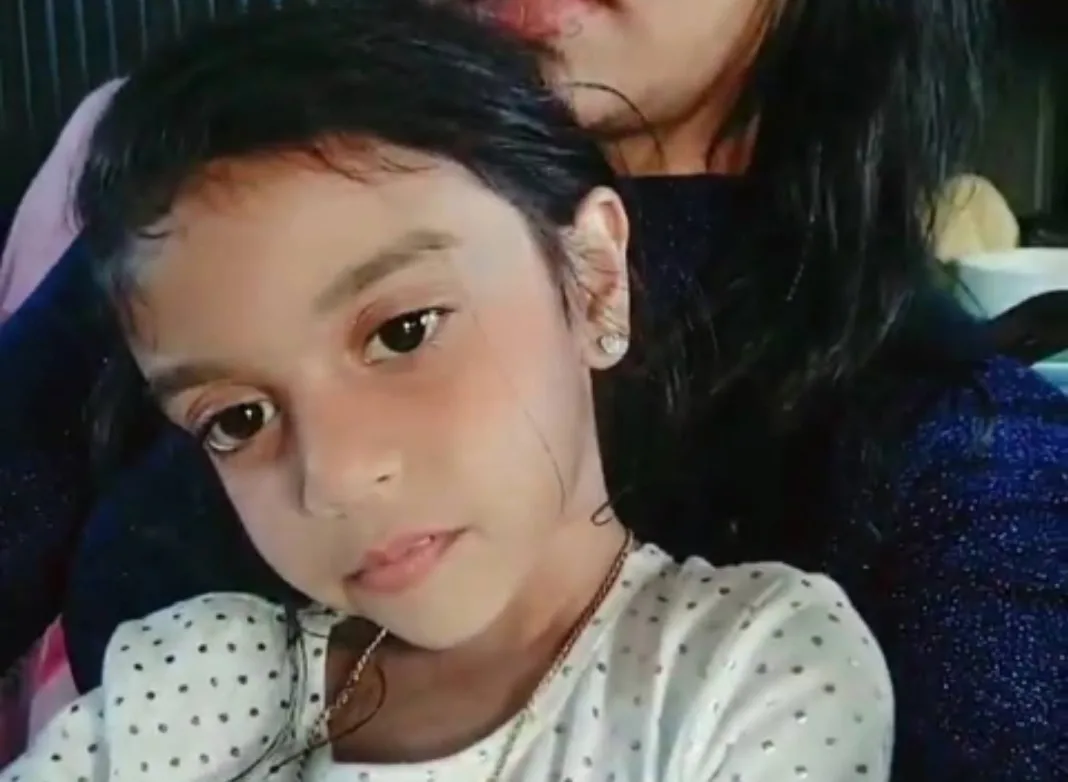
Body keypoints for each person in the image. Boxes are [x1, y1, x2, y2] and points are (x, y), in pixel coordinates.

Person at [0, 0, 1063, 779]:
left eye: (404, 330)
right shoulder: (188, 217)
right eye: (234, 419)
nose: (337, 475)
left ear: (597, 275)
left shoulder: (968, 467)